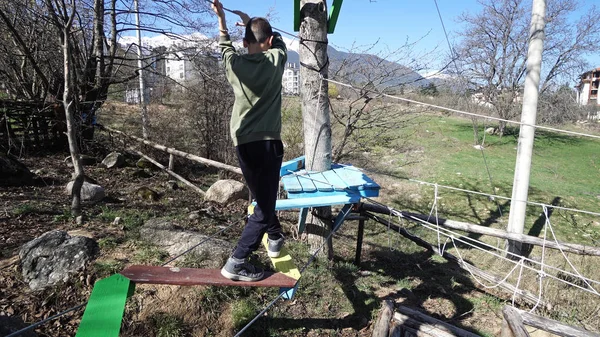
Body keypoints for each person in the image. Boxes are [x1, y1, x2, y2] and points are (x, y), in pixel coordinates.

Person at [211, 0, 288, 282]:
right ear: (267, 41)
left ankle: (276, 236)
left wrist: (221, 21)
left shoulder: (235, 65)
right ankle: (237, 262)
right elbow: (279, 42)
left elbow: (224, 47)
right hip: (268, 143)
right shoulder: (276, 59)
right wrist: (250, 21)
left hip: (243, 143)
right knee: (264, 206)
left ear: (244, 43)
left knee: (261, 195)